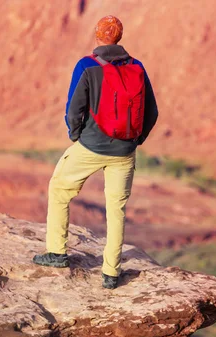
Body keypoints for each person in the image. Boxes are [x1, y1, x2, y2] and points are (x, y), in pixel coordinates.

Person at [33, 15, 158, 289]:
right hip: (125, 151)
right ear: (120, 38)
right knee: (117, 209)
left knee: (59, 189)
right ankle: (111, 273)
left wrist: (76, 135)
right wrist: (136, 140)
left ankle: (57, 253)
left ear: (97, 36)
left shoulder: (87, 66)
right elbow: (152, 111)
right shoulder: (137, 66)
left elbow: (73, 108)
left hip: (90, 146)